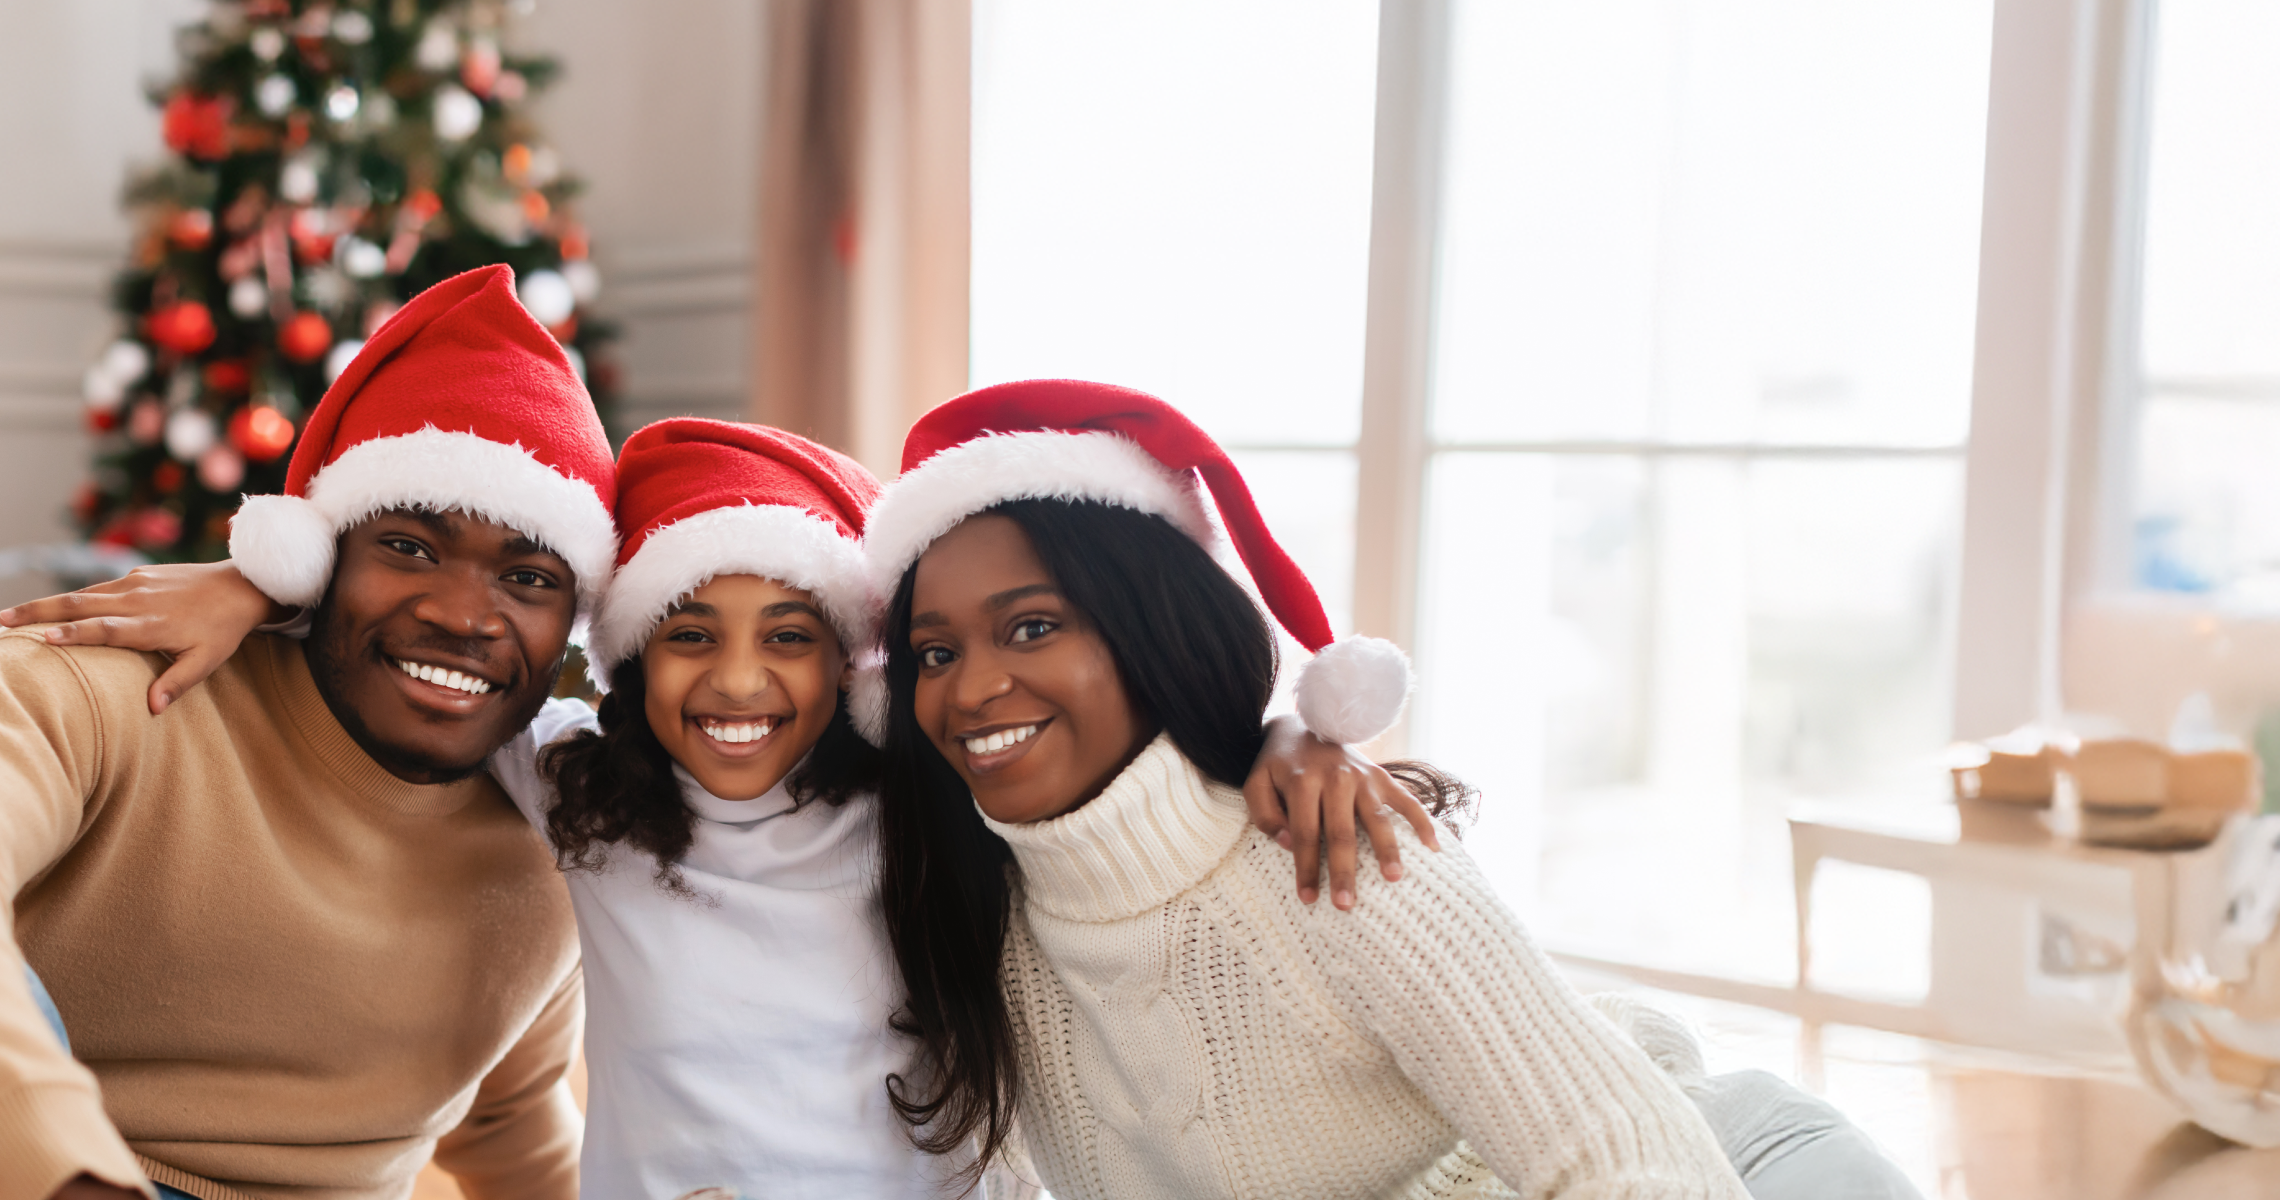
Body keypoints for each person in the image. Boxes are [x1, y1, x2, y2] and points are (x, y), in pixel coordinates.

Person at [11, 423, 1438, 1198]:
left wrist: (1268, 748)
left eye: (792, 635)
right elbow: (439, 663)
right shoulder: (573, 781)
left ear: (857, 667)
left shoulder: (927, 808)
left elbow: (1073, 745)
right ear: (630, 663)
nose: (738, 680)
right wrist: (265, 577)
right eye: (688, 634)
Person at [858, 379, 1751, 1198]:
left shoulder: (1336, 860)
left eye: (1032, 626)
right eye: (936, 653)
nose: (970, 691)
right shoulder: (977, 916)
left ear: (1150, 628)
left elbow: (1639, 1159)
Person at [0, 265, 618, 1200]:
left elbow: (510, 1122)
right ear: (311, 559)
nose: (463, 616)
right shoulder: (100, 689)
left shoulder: (556, 825)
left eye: (528, 578)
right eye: (410, 546)